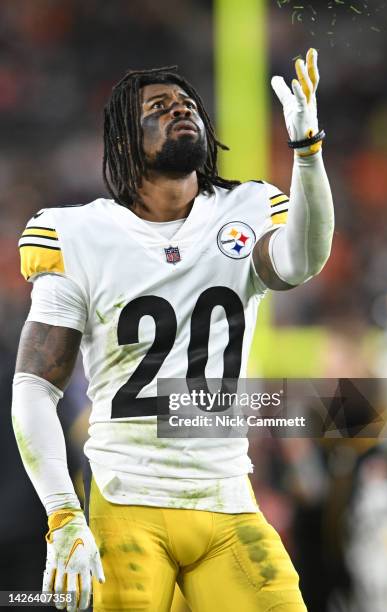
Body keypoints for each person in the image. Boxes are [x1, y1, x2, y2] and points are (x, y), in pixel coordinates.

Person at [12, 48, 334, 611]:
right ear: (122, 143)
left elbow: (302, 260)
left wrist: (307, 153)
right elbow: (35, 387)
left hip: (229, 499)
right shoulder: (79, 233)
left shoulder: (245, 207)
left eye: (187, 104)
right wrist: (62, 512)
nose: (180, 110)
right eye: (158, 107)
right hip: (128, 502)